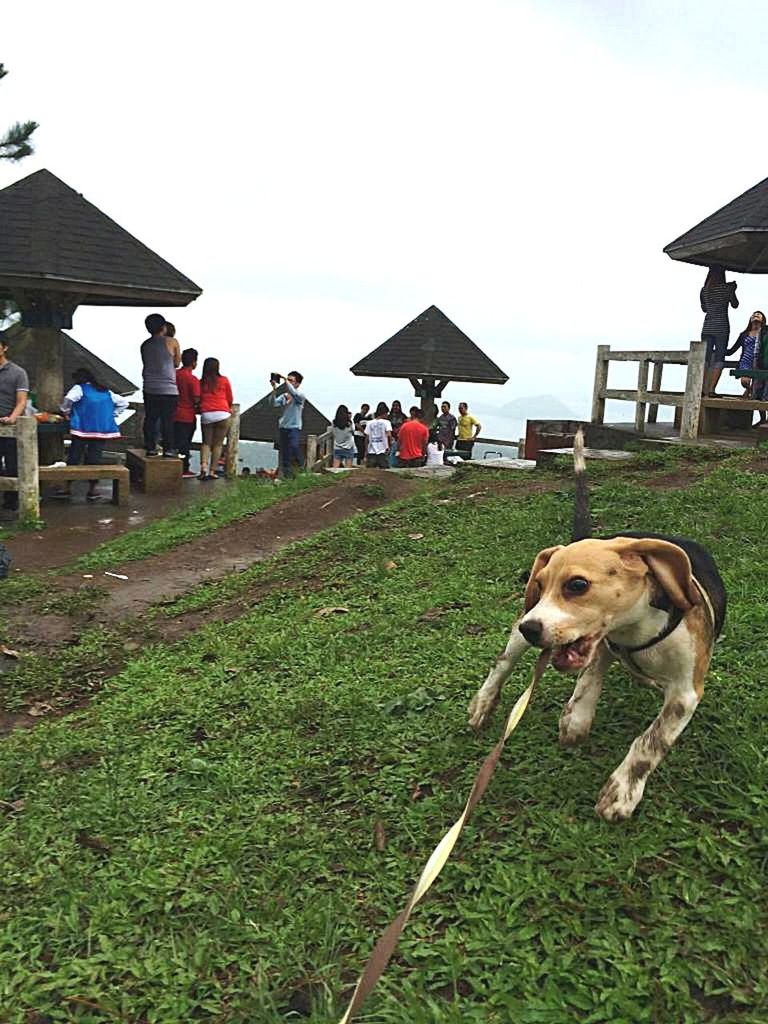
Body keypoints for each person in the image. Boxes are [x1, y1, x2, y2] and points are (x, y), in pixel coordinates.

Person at [56, 368, 129, 500]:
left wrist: (65, 411)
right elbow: (124, 403)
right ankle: (93, 489)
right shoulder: (106, 391)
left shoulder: (79, 388)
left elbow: (68, 399)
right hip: (101, 429)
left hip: (82, 428)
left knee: (74, 457)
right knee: (95, 459)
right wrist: (112, 414)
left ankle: (67, 487)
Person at [141, 313, 181, 457]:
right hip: (168, 388)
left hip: (150, 386)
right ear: (163, 327)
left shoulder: (145, 345)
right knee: (167, 419)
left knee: (151, 418)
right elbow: (177, 363)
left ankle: (150, 447)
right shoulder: (172, 342)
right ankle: (169, 449)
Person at [0, 334, 30, 514]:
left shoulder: (18, 372)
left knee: (13, 465)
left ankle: (12, 503)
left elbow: (22, 401)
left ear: (4, 348)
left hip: (10, 425)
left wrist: (12, 417)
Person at [700, 265, 739, 397]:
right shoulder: (726, 288)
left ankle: (701, 388)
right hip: (721, 327)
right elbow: (735, 304)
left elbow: (704, 309)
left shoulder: (704, 290)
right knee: (719, 359)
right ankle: (711, 390)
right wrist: (733, 290)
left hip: (707, 327)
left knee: (705, 359)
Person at [198, 358, 234, 481]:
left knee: (206, 443)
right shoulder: (224, 380)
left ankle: (203, 466)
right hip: (223, 413)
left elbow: (198, 398)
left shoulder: (201, 382)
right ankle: (213, 471)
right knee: (218, 444)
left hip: (207, 413)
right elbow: (230, 398)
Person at [271, 371, 306, 477]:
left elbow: (294, 393)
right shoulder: (285, 396)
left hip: (294, 426)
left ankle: (301, 467)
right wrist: (274, 389)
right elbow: (273, 403)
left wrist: (285, 380)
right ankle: (287, 476)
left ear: (297, 384)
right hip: (283, 426)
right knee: (285, 454)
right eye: (288, 380)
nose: (288, 383)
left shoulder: (300, 396)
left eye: (291, 381)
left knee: (294, 447)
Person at [174, 347, 200, 478]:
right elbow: (196, 397)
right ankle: (184, 468)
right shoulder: (192, 379)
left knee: (172, 442)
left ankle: (172, 466)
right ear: (194, 362)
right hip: (187, 415)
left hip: (172, 414)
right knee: (184, 444)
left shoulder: (174, 374)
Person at [364, 402, 392, 468]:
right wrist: (389, 446)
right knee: (385, 473)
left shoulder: (369, 423)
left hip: (371, 451)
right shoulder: (386, 422)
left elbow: (366, 438)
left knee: (371, 472)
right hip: (383, 451)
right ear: (384, 413)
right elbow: (389, 435)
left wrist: (366, 451)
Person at [389, 399, 406, 467]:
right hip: (391, 437)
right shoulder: (389, 416)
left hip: (400, 437)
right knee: (392, 453)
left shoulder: (403, 416)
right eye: (394, 406)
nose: (395, 407)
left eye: (397, 406)